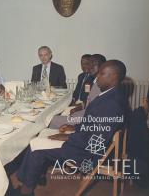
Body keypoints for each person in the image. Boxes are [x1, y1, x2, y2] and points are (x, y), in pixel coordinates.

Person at [13, 60, 127, 196]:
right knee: (42, 133)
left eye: (102, 74)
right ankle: (28, 181)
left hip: (86, 154)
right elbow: (93, 124)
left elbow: (96, 140)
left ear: (114, 77)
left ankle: (26, 190)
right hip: (83, 140)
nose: (97, 77)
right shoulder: (112, 94)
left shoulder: (111, 103)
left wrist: (68, 137)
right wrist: (73, 127)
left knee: (36, 149)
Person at [49, 54, 106, 129]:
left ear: (102, 66)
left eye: (93, 64)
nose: (89, 66)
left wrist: (77, 112)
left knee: (52, 119)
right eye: (89, 64)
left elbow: (92, 111)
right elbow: (77, 93)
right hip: (83, 113)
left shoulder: (99, 84)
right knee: (56, 114)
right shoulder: (88, 78)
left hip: (85, 119)